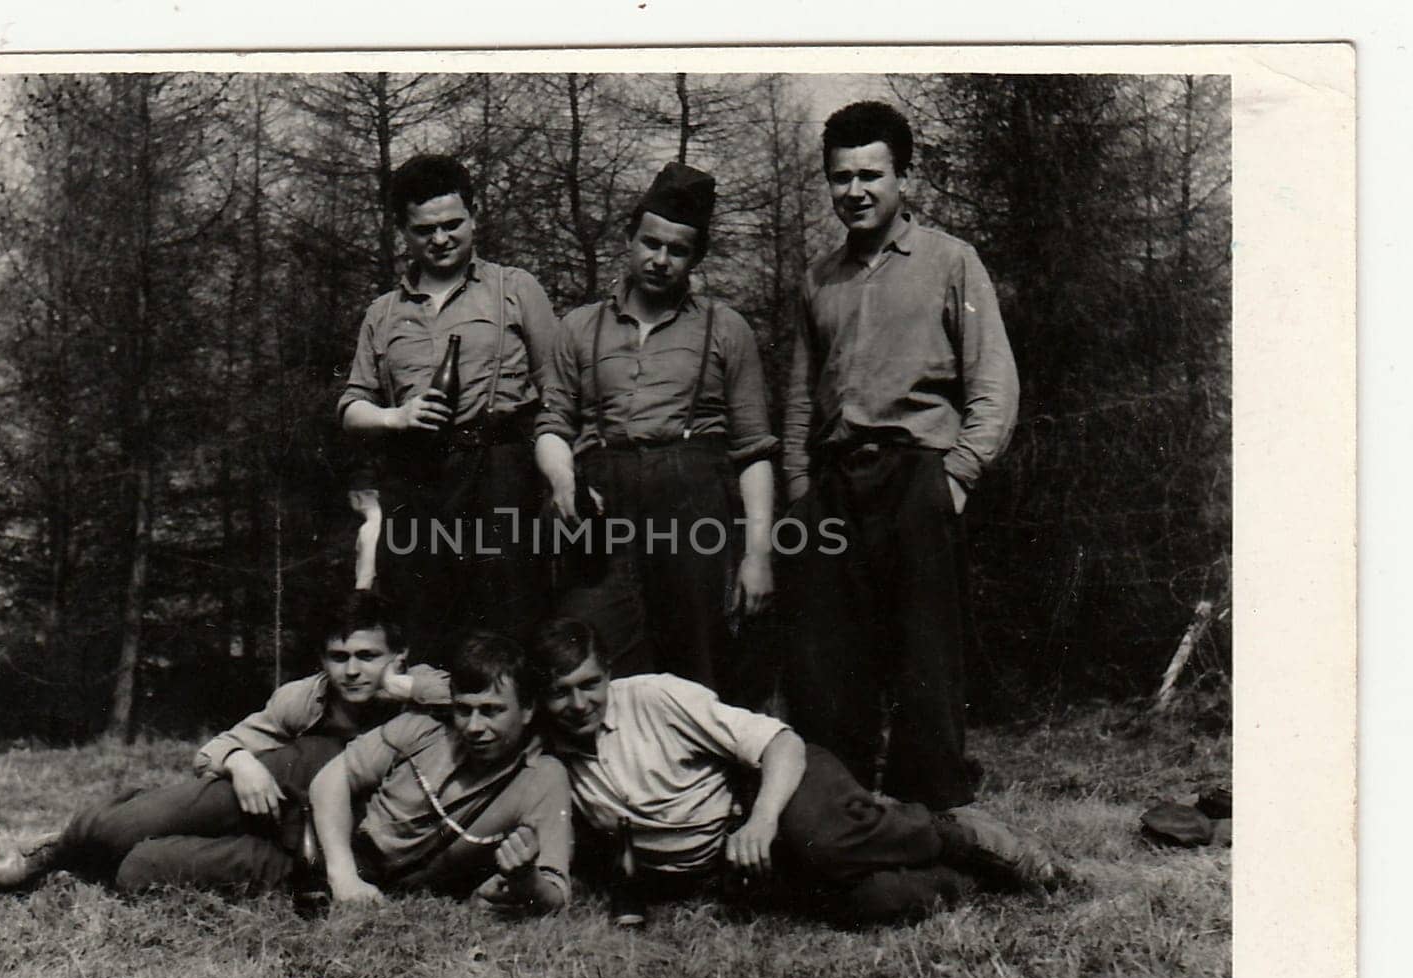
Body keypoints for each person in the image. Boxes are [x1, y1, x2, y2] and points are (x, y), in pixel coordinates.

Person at [781, 101, 1020, 809]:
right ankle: (841, 810)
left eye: (870, 175)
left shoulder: (951, 262)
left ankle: (933, 817)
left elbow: (994, 382)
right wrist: (799, 487)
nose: (854, 191)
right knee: (829, 662)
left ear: (903, 177)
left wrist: (958, 475)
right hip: (832, 487)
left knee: (924, 659)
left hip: (918, 475)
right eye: (839, 177)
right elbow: (799, 396)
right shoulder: (818, 278)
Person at [528, 617, 1065, 927]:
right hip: (736, 861)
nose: (579, 704)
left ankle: (961, 835)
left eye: (589, 684)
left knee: (826, 841)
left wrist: (761, 821)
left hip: (776, 786)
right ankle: (964, 882)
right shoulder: (548, 757)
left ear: (609, 676)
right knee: (876, 903)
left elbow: (779, 743)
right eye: (560, 691)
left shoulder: (656, 696)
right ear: (539, 698)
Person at [0, 592, 447, 895]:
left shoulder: (421, 697)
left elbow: (482, 701)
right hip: (265, 810)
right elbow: (215, 749)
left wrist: (405, 688)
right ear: (322, 658)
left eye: (368, 657)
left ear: (398, 657)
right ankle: (60, 848)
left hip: (319, 844)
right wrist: (242, 761)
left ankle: (95, 864)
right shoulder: (304, 699)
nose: (352, 671)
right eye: (339, 657)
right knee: (131, 825)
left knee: (138, 871)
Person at [535, 162, 777, 696]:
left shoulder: (726, 328)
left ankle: (703, 779)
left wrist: (758, 554)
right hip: (601, 503)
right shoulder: (577, 327)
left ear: (696, 257)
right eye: (650, 243)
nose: (661, 261)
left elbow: (754, 450)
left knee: (699, 658)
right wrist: (563, 481)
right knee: (592, 649)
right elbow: (552, 424)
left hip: (692, 501)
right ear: (629, 237)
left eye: (678, 250)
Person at [337, 154, 559, 663]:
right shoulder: (383, 313)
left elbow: (558, 390)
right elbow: (352, 406)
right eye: (424, 230)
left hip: (501, 474)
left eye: (452, 224)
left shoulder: (515, 289)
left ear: (474, 217)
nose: (440, 239)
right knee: (421, 624)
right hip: (418, 479)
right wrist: (396, 416)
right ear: (403, 232)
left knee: (508, 625)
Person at [308, 631, 572, 913]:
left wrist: (527, 881)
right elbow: (330, 779)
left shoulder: (543, 776)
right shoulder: (424, 726)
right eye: (463, 710)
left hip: (406, 887)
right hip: (331, 845)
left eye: (491, 711)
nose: (473, 727)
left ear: (528, 709)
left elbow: (556, 894)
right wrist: (345, 877)